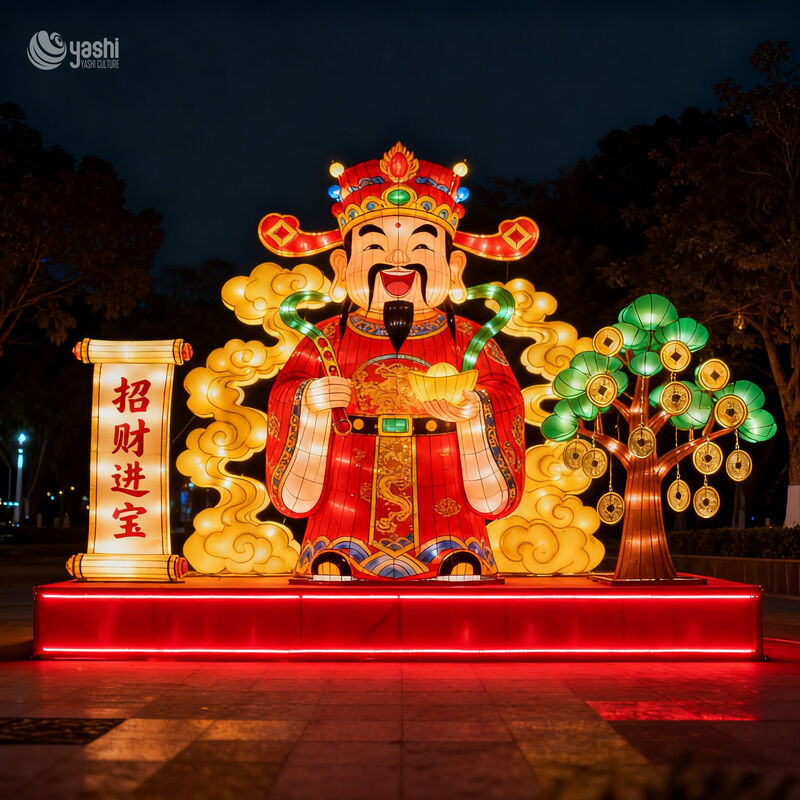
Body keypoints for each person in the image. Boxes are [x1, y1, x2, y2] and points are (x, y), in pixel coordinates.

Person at [261, 143, 538, 580]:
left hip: (445, 501)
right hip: (344, 502)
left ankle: (451, 547)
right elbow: (285, 393)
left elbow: (504, 396)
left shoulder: (469, 338)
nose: (397, 261)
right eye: (373, 247)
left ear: (456, 266)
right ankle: (337, 548)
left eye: (420, 248)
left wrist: (475, 411)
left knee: (456, 558)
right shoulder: (324, 337)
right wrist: (307, 400)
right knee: (334, 557)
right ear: (340, 264)